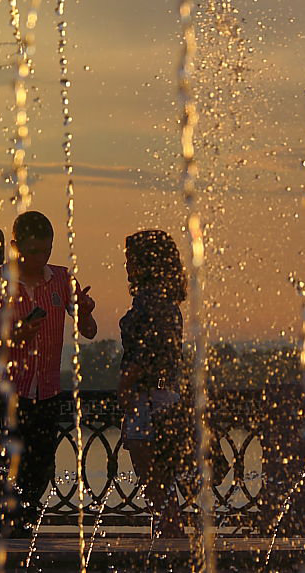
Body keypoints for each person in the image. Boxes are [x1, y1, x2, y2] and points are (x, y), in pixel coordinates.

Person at [0, 210, 97, 537]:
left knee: (41, 468)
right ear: (15, 246)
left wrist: (84, 313)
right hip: (5, 393)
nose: (40, 259)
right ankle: (11, 531)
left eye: (47, 251)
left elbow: (90, 331)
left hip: (47, 392)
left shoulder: (63, 280)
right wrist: (11, 339)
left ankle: (24, 529)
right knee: (3, 470)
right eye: (33, 251)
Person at [117, 230, 191, 538]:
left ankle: (170, 546)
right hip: (164, 399)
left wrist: (126, 384)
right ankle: (169, 541)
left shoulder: (151, 303)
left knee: (157, 488)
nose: (127, 267)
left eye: (131, 260)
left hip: (148, 402)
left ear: (146, 263)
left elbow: (145, 355)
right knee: (162, 487)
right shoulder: (166, 300)